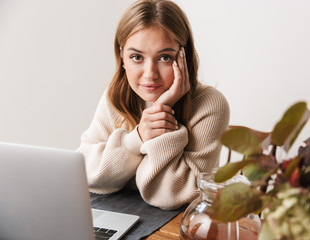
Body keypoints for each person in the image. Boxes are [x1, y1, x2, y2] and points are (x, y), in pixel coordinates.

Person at [78, 0, 230, 210]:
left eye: (164, 57)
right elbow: (86, 172)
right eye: (136, 57)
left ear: (183, 56)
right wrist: (137, 138)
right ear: (122, 57)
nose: (150, 74)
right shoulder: (117, 95)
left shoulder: (210, 104)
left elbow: (173, 196)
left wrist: (162, 113)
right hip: (118, 215)